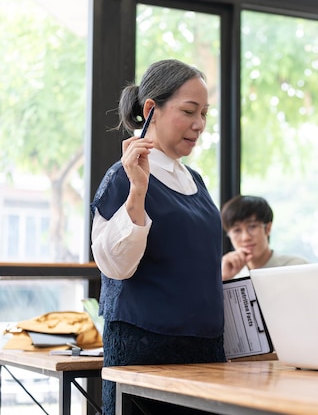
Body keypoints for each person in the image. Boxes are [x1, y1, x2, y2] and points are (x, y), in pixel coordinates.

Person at [90, 59, 225, 415]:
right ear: (151, 109)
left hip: (207, 351)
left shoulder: (196, 181)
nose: (199, 125)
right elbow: (114, 265)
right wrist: (137, 191)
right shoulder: (123, 177)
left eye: (205, 114)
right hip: (145, 349)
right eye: (188, 111)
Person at [221, 195, 307, 280]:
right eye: (237, 230)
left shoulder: (297, 267)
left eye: (252, 226)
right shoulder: (228, 274)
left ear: (268, 228)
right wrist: (223, 279)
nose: (246, 237)